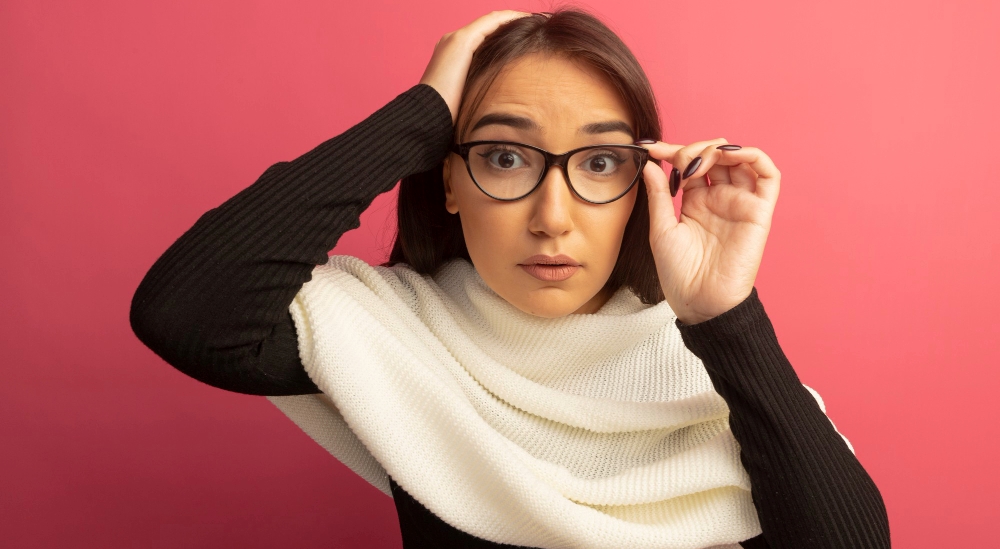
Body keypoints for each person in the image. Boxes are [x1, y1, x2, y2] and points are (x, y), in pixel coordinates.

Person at [129, 9, 890, 549]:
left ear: (642, 185)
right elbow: (186, 310)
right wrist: (419, 114)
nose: (552, 217)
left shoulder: (711, 364)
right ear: (448, 182)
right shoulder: (397, 335)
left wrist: (724, 316)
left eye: (599, 163)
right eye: (504, 157)